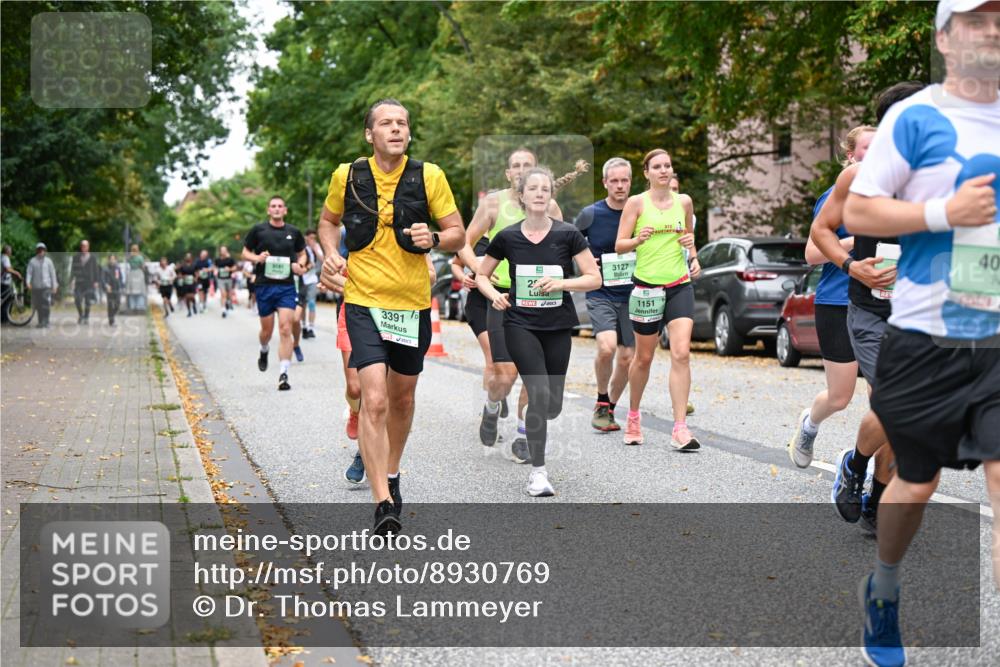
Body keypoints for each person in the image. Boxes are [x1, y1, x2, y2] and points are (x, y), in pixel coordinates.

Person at [842, 3, 1000, 665]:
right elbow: (858, 208)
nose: (992, 28)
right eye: (975, 18)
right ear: (944, 38)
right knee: (918, 481)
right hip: (925, 335)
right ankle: (884, 585)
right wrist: (945, 211)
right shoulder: (914, 116)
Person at [318, 98, 465, 535]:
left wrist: (435, 236)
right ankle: (383, 501)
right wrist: (330, 253)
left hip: (412, 305)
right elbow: (328, 222)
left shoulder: (430, 175)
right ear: (370, 134)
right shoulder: (347, 175)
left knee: (401, 399)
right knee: (375, 399)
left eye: (402, 123)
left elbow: (456, 234)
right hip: (362, 300)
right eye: (386, 123)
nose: (396, 129)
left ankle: (392, 471)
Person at [810, 83, 927, 534]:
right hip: (871, 310)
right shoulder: (858, 177)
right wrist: (851, 265)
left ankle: (875, 493)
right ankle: (856, 465)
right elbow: (820, 232)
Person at [476, 166, 601, 495]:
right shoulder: (508, 236)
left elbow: (594, 277)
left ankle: (534, 421)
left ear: (550, 196)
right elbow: (482, 276)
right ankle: (539, 473)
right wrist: (495, 296)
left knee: (552, 404)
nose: (540, 194)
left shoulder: (567, 234)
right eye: (533, 189)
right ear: (522, 195)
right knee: (538, 390)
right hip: (520, 324)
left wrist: (562, 283)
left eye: (546, 189)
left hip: (557, 324)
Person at [457, 148, 587, 451]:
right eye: (515, 166)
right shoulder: (492, 204)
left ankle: (523, 435)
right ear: (508, 173)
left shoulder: (551, 206)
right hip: (501, 297)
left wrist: (558, 281)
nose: (520, 170)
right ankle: (492, 407)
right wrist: (479, 270)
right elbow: (464, 242)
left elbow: (561, 247)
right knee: (504, 375)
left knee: (533, 373)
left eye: (526, 165)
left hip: (538, 300)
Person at [788, 125, 877, 468]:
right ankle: (810, 424)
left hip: (879, 303)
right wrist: (857, 240)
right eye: (867, 148)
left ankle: (867, 470)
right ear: (850, 155)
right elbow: (812, 253)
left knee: (882, 398)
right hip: (837, 303)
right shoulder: (836, 195)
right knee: (840, 397)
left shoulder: (893, 193)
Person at [614, 149, 701, 449]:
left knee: (681, 353)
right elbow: (619, 244)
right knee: (644, 357)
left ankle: (680, 428)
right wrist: (638, 239)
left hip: (679, 285)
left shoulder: (684, 201)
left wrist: (694, 254)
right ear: (647, 173)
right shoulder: (636, 203)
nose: (663, 170)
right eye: (657, 167)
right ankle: (634, 416)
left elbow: (688, 237)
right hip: (647, 287)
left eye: (667, 166)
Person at [576, 157, 637, 432]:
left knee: (627, 357)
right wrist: (585, 263)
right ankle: (601, 399)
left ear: (631, 182)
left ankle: (609, 408)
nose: (620, 186)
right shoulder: (591, 214)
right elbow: (567, 244)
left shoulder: (640, 210)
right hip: (601, 292)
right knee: (606, 347)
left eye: (625, 180)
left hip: (635, 293)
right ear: (605, 183)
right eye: (614, 180)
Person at [243, 195, 307, 391]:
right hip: (264, 286)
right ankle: (264, 349)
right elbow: (245, 252)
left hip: (286, 286)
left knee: (286, 328)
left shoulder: (293, 232)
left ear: (285, 210)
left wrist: (300, 264)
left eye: (280, 206)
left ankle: (283, 373)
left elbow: (302, 253)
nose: (277, 209)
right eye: (273, 206)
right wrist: (257, 257)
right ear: (268, 210)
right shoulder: (258, 230)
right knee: (266, 332)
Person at [26, 242, 58, 328]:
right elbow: (29, 273)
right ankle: (41, 322)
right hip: (36, 287)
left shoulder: (48, 261)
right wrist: (28, 282)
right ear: (37, 251)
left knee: (45, 304)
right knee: (38, 305)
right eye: (39, 249)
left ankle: (46, 321)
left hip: (46, 286)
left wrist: (54, 286)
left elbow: (52, 274)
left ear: (45, 251)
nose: (41, 251)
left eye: (42, 249)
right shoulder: (32, 261)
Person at [300, 230, 324, 338]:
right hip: (301, 279)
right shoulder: (301, 247)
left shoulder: (316, 246)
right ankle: (304, 326)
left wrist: (315, 249)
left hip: (312, 279)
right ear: (306, 238)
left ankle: (311, 328)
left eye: (314, 238)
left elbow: (323, 259)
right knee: (303, 304)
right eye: (310, 238)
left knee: (311, 303)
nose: (312, 240)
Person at [71, 239, 100, 324]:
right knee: (77, 299)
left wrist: (96, 281)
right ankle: (81, 315)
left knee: (88, 301)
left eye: (86, 246)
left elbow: (96, 270)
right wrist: (72, 279)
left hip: (89, 282)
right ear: (81, 247)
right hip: (79, 282)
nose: (84, 247)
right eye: (82, 246)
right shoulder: (76, 257)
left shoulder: (93, 258)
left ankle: (86, 317)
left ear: (88, 247)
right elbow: (73, 270)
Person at [2, 244, 23, 323]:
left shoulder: (2, 257)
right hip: (4, 282)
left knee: (4, 300)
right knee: (7, 301)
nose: (11, 252)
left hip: (3, 281)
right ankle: (5, 319)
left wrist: (13, 273)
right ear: (7, 251)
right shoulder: (5, 258)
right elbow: (7, 269)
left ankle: (4, 318)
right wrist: (17, 273)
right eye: (10, 250)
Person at [102, 255, 124, 326]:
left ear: (115, 260)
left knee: (118, 304)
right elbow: (102, 279)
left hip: (117, 288)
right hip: (109, 289)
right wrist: (106, 285)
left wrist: (121, 285)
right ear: (109, 260)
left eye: (114, 259)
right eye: (111, 259)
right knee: (110, 305)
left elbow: (120, 277)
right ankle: (111, 321)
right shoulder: (105, 268)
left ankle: (112, 316)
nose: (112, 260)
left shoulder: (117, 268)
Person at [215, 246, 238, 317]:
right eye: (222, 250)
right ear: (220, 252)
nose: (223, 252)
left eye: (224, 250)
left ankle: (228, 303)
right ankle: (223, 310)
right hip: (220, 279)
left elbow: (235, 267)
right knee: (223, 294)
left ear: (227, 251)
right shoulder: (217, 260)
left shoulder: (230, 259)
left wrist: (229, 269)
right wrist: (215, 270)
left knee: (228, 295)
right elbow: (214, 267)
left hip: (228, 279)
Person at [125, 244, 148, 312]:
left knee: (135, 290)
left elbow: (142, 266)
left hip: (134, 273)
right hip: (136, 273)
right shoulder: (138, 257)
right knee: (136, 290)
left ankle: (136, 306)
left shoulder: (134, 257)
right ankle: (137, 306)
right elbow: (143, 266)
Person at [194, 249, 213, 314]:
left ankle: (204, 303)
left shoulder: (208, 261)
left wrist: (207, 269)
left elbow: (212, 268)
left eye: (205, 254)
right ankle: (201, 304)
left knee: (205, 292)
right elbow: (195, 270)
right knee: (200, 291)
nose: (204, 255)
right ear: (200, 254)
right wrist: (197, 276)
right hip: (200, 279)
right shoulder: (197, 261)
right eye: (203, 254)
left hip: (206, 279)